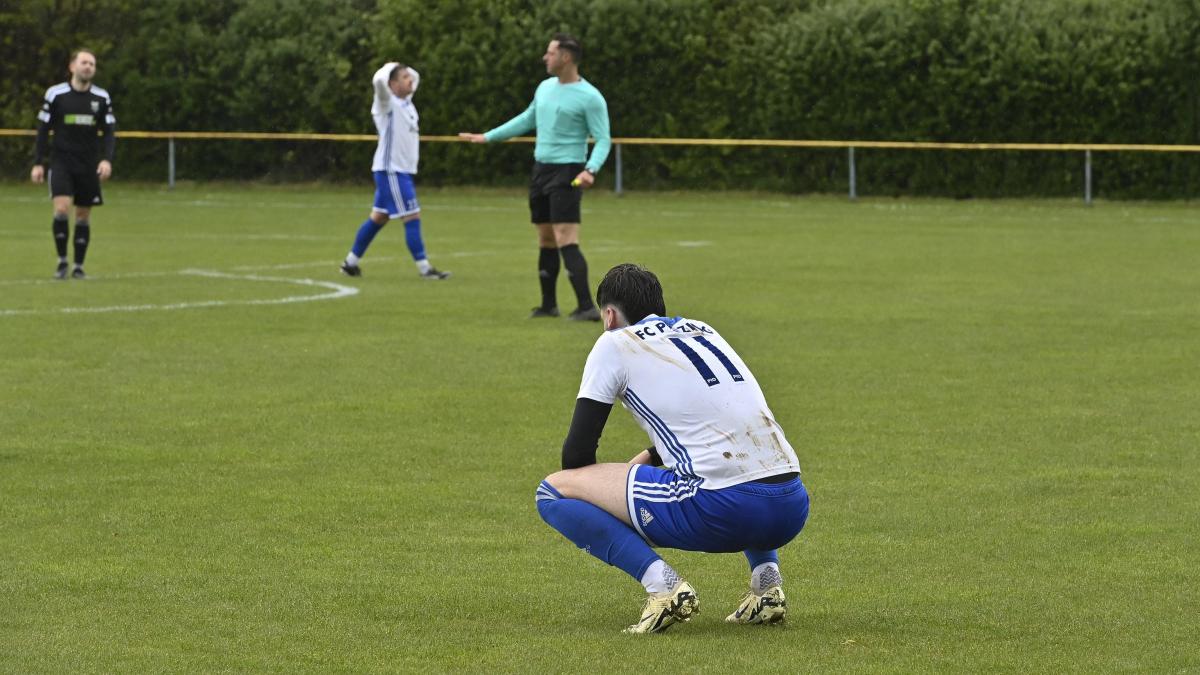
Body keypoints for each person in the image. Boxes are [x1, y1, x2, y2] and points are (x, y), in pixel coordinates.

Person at [535, 263, 810, 633]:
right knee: (736, 462)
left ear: (610, 314)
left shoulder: (615, 342)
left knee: (553, 490)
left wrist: (616, 484)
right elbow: (722, 424)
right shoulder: (703, 330)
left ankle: (663, 588)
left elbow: (576, 457)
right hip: (792, 504)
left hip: (723, 510)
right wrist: (651, 456)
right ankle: (767, 586)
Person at [459, 33, 611, 321]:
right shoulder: (544, 87)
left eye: (550, 52)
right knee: (545, 238)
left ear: (566, 57)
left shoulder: (590, 97)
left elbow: (603, 139)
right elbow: (527, 119)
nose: (545, 57)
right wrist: (488, 137)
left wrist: (590, 169)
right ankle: (548, 305)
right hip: (541, 170)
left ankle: (586, 307)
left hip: (568, 171)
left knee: (566, 236)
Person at [340, 61, 449, 280]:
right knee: (412, 215)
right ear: (392, 83)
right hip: (392, 171)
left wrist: (403, 69)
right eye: (404, 78)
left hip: (400, 171)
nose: (411, 80)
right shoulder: (386, 103)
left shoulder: (406, 101)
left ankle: (350, 263)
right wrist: (390, 66)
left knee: (379, 217)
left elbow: (416, 77)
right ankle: (425, 269)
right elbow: (378, 81)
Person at [31, 49, 115, 280]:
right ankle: (62, 263)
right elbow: (42, 130)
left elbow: (109, 132)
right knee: (61, 209)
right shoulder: (56, 95)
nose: (88, 67)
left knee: (83, 215)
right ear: (72, 66)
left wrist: (106, 159)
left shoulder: (101, 98)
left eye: (92, 64)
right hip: (62, 163)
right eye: (84, 62)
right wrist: (38, 162)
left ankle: (78, 266)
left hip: (88, 166)